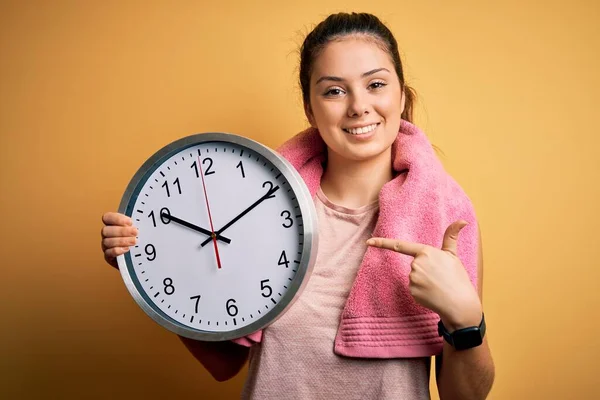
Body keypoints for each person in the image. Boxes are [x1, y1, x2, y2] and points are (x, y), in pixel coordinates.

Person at [101, 12, 495, 399]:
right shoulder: (253, 212)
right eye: (334, 90)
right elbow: (223, 365)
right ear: (310, 109)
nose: (358, 106)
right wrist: (145, 272)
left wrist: (466, 319)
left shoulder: (445, 216)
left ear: (401, 95)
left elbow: (464, 397)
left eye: (375, 84)